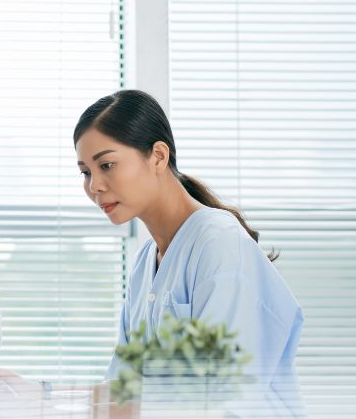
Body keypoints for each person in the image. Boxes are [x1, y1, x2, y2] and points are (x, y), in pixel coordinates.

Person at [72, 89, 304, 389]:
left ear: (158, 156)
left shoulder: (218, 244)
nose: (95, 186)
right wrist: (44, 394)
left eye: (106, 165)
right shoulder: (146, 264)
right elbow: (122, 389)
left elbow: (217, 393)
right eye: (85, 172)